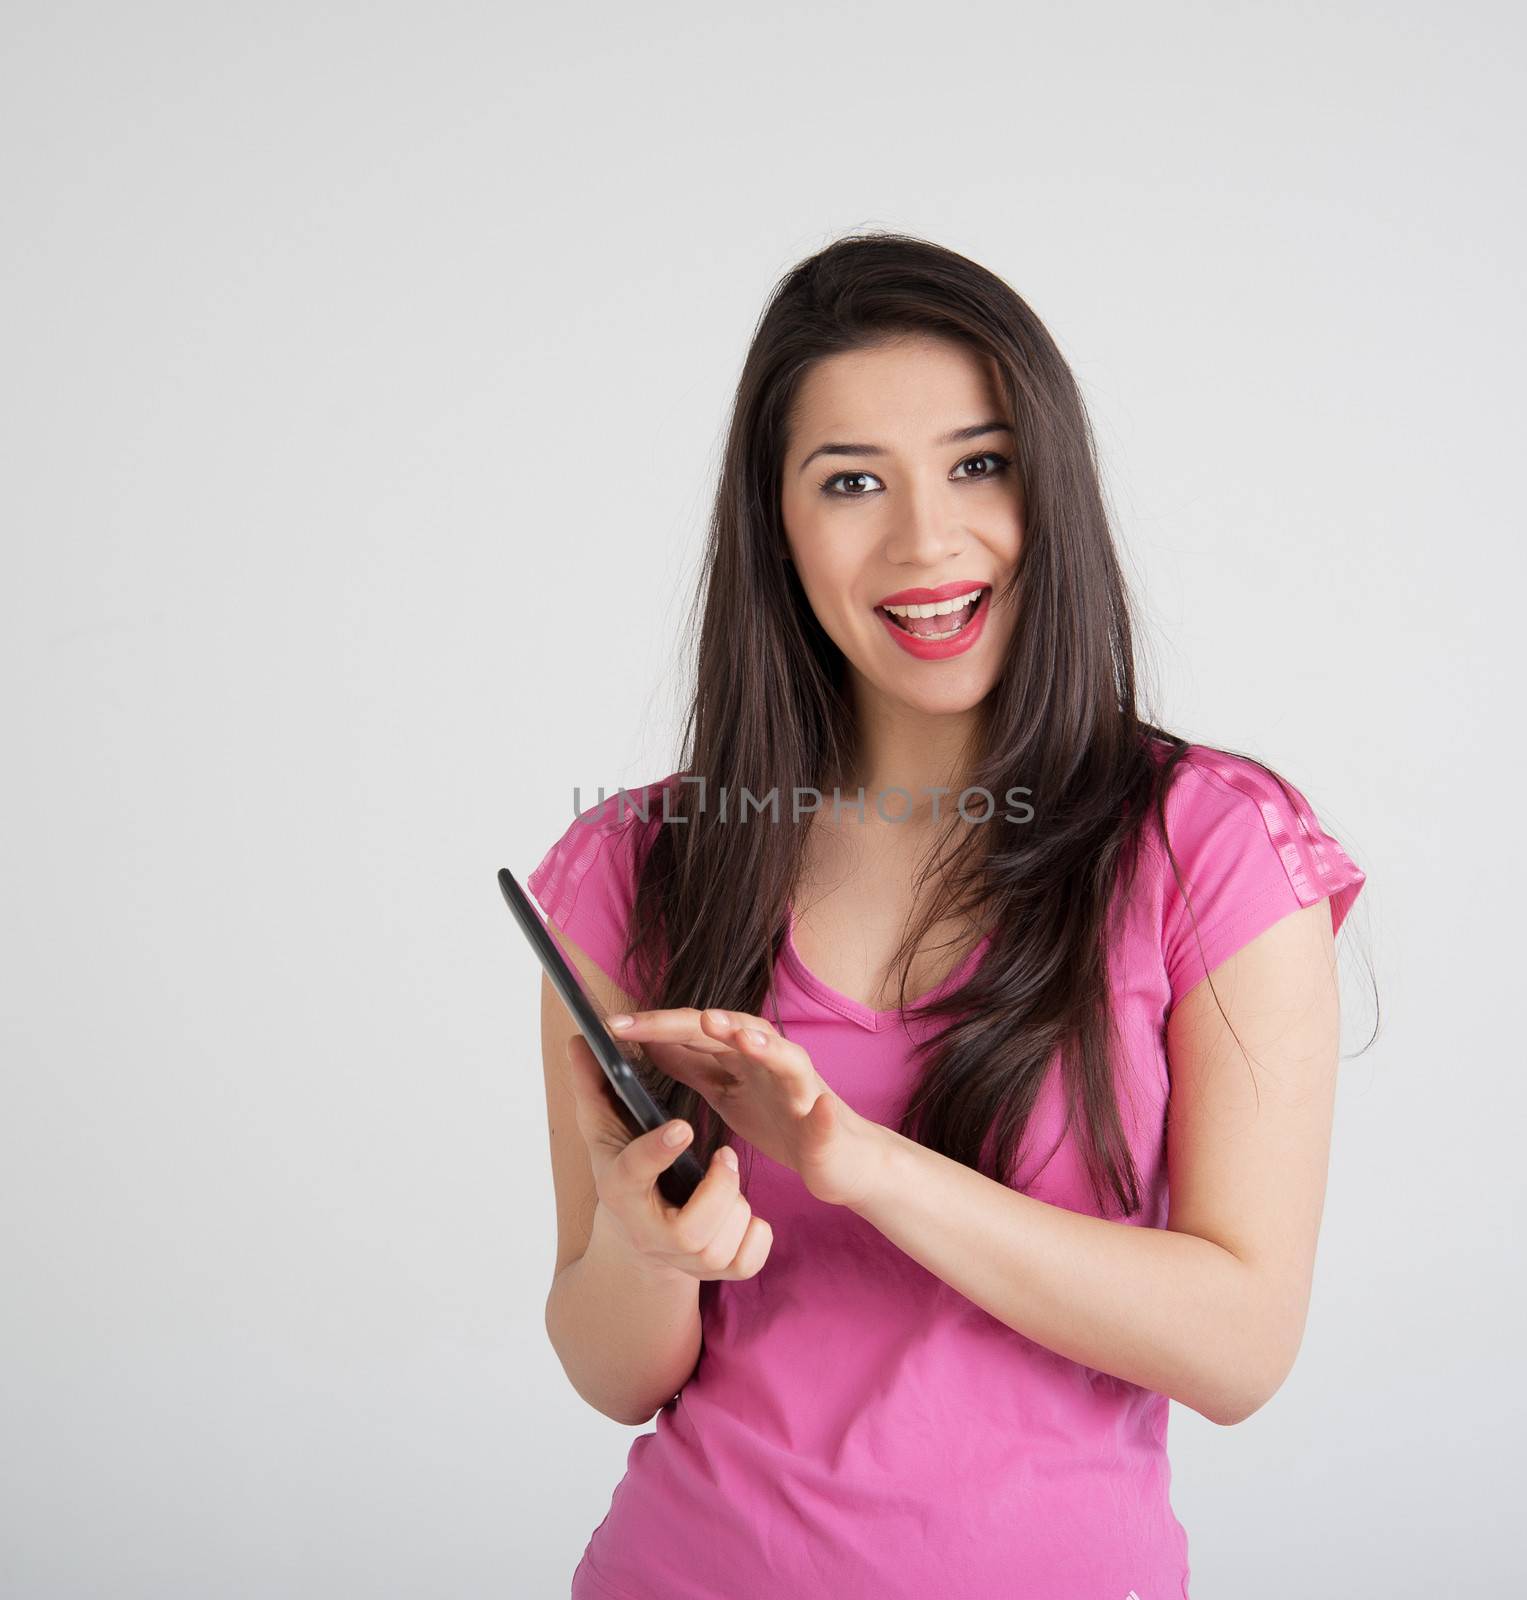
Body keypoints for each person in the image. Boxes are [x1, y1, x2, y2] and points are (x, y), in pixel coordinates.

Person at [533, 232, 1370, 1600]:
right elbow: (613, 1374)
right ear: (776, 527)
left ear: (1051, 486)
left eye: (979, 464)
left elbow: (1241, 1348)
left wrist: (862, 1165)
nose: (927, 539)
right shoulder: (639, 867)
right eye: (851, 482)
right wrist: (647, 1241)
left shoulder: (1211, 846)